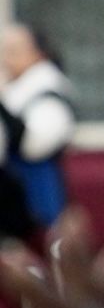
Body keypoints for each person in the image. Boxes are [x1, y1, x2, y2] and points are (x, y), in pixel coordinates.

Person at [0, 24, 74, 228]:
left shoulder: (49, 95)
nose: (6, 60)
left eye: (13, 52)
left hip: (34, 206)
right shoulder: (14, 90)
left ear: (38, 54)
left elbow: (34, 145)